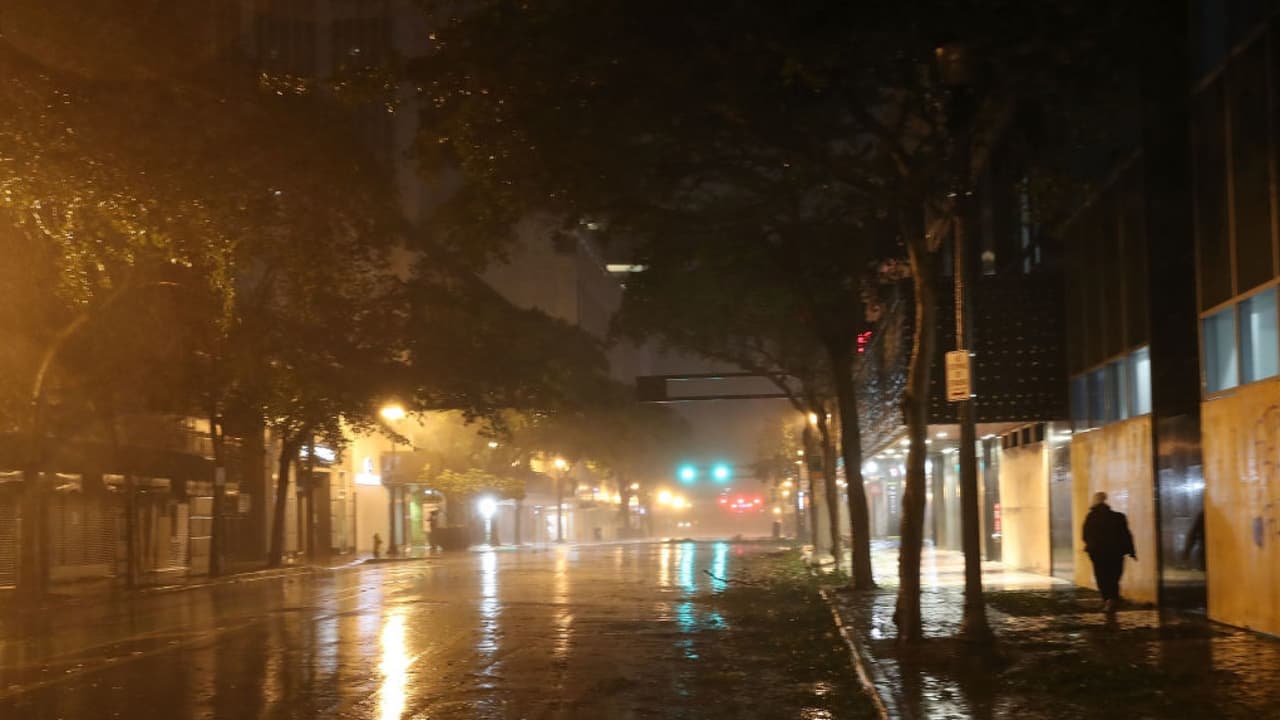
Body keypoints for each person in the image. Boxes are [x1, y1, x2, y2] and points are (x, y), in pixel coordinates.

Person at [1082, 491, 1136, 612]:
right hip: (1116, 553)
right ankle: (1112, 599)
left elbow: (1085, 536)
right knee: (1114, 577)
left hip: (1098, 554)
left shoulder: (1091, 517)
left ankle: (1107, 599)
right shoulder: (1119, 517)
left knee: (1102, 576)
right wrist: (1131, 551)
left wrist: (1091, 547)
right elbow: (1126, 535)